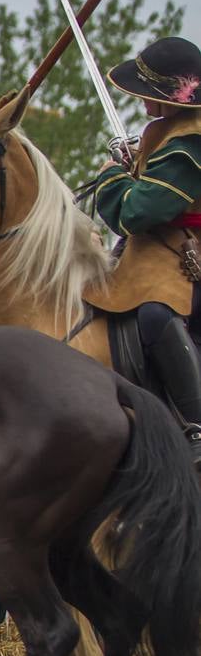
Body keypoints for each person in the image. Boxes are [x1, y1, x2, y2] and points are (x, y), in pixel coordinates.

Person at [87, 34, 201, 458]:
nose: (141, 101)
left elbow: (136, 213)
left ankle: (197, 426)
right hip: (168, 248)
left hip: (187, 254)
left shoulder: (189, 145)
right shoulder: (172, 132)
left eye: (148, 92)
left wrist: (111, 174)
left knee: (154, 312)